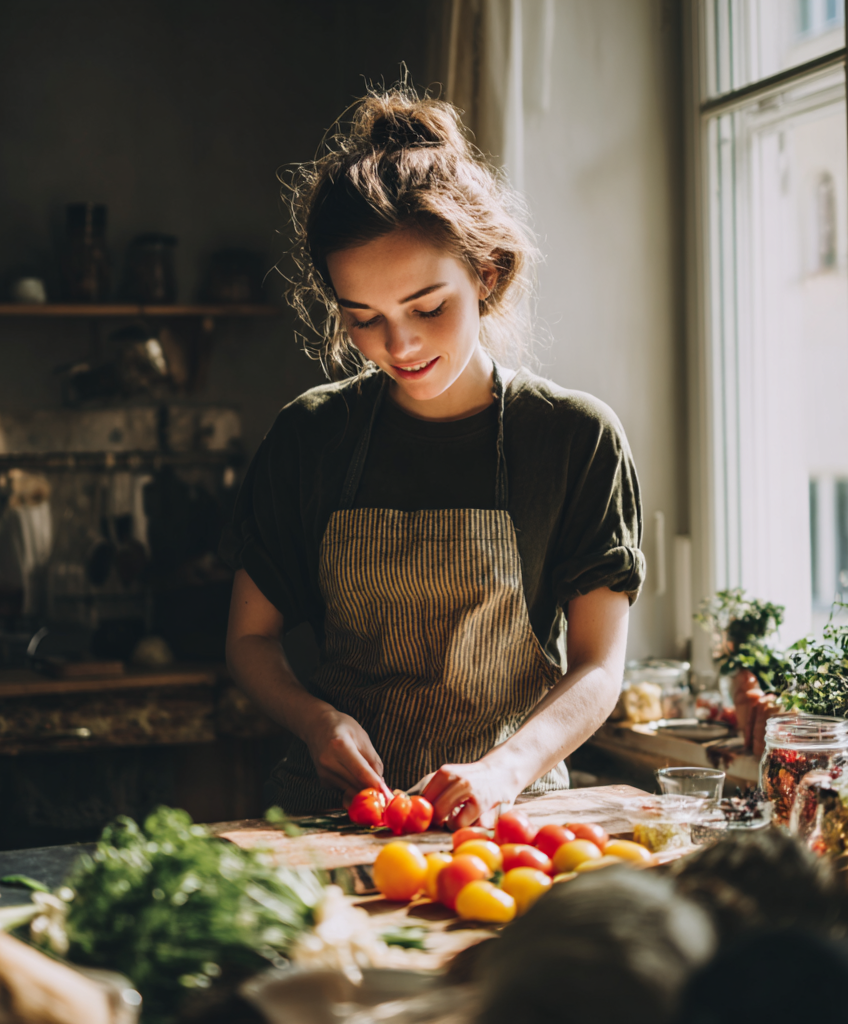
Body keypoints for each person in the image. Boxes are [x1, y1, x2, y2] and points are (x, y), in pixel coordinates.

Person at [223, 86, 644, 827]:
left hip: (503, 822)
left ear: (486, 273)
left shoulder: (574, 439)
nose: (401, 344)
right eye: (364, 318)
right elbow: (250, 640)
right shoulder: (311, 436)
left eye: (427, 307)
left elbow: (599, 666)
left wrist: (504, 769)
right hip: (336, 816)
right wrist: (316, 723)